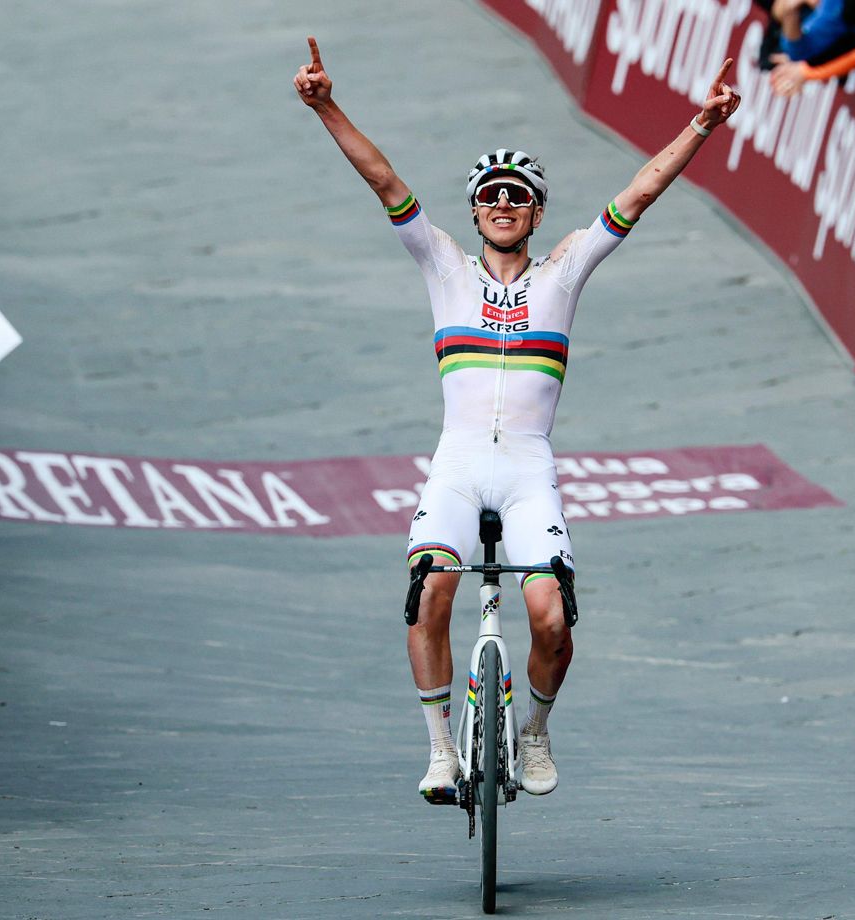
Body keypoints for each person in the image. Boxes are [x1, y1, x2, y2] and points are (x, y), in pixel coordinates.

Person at [294, 35, 740, 802]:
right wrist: (326, 105)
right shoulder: (442, 265)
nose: (504, 203)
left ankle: (533, 733)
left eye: (519, 195)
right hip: (460, 463)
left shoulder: (564, 270)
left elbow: (637, 194)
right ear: (473, 211)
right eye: (491, 195)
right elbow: (384, 179)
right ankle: (439, 749)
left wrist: (701, 125)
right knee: (432, 592)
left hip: (529, 467)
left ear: (536, 214)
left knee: (552, 621)